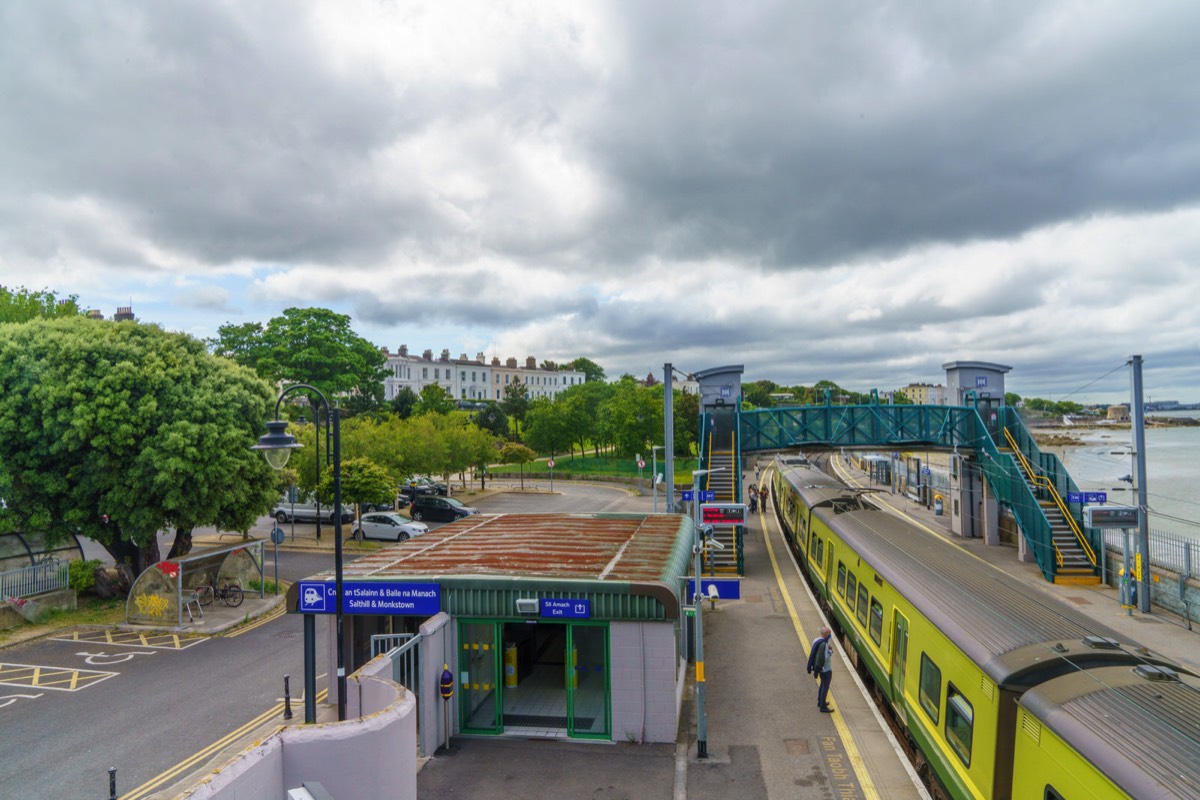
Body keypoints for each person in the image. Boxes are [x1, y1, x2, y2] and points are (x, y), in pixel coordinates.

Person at [806, 627, 834, 712]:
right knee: (825, 687)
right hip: (826, 669)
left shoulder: (816, 640)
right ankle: (823, 706)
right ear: (826, 634)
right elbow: (825, 657)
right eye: (829, 634)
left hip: (819, 667)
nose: (830, 636)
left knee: (822, 685)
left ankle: (820, 701)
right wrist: (830, 651)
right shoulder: (824, 644)